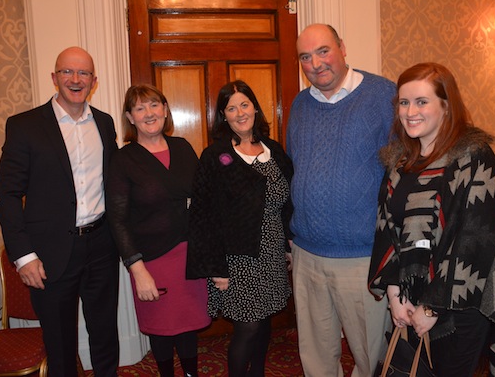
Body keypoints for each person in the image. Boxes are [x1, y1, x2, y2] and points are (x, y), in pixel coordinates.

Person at [367, 62, 495, 376]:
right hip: (408, 298)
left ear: (446, 106)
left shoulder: (474, 157)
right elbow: (386, 229)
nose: (410, 111)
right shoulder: (399, 162)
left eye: (421, 101)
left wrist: (432, 307)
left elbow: (476, 239)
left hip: (460, 305)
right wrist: (393, 295)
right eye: (404, 102)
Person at [0, 46, 119, 377]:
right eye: (67, 72)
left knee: (106, 335)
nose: (75, 79)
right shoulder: (24, 126)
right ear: (54, 77)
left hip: (101, 247)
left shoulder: (105, 124)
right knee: (61, 345)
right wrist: (23, 256)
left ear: (94, 81)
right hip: (49, 254)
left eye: (83, 73)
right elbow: (7, 195)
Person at [286, 23, 395, 376]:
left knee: (370, 355)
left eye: (323, 51)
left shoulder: (383, 96)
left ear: (343, 48)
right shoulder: (300, 104)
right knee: (315, 355)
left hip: (362, 258)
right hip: (307, 256)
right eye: (305, 56)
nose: (316, 63)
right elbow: (295, 167)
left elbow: (403, 173)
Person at [186, 80, 293, 377]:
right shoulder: (215, 156)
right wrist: (216, 267)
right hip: (236, 257)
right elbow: (202, 214)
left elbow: (288, 203)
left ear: (255, 108)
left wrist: (288, 245)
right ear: (224, 116)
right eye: (231, 108)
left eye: (244, 104)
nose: (240, 112)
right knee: (248, 326)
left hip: (272, 251)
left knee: (266, 320)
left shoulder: (273, 149)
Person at [106, 84, 210, 377]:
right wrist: (137, 269)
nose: (149, 113)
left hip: (189, 255)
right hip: (151, 260)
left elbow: (203, 199)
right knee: (162, 329)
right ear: (130, 117)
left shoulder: (183, 148)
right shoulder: (124, 159)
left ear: (165, 109)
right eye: (139, 108)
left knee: (188, 325)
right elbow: (117, 219)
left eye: (154, 105)